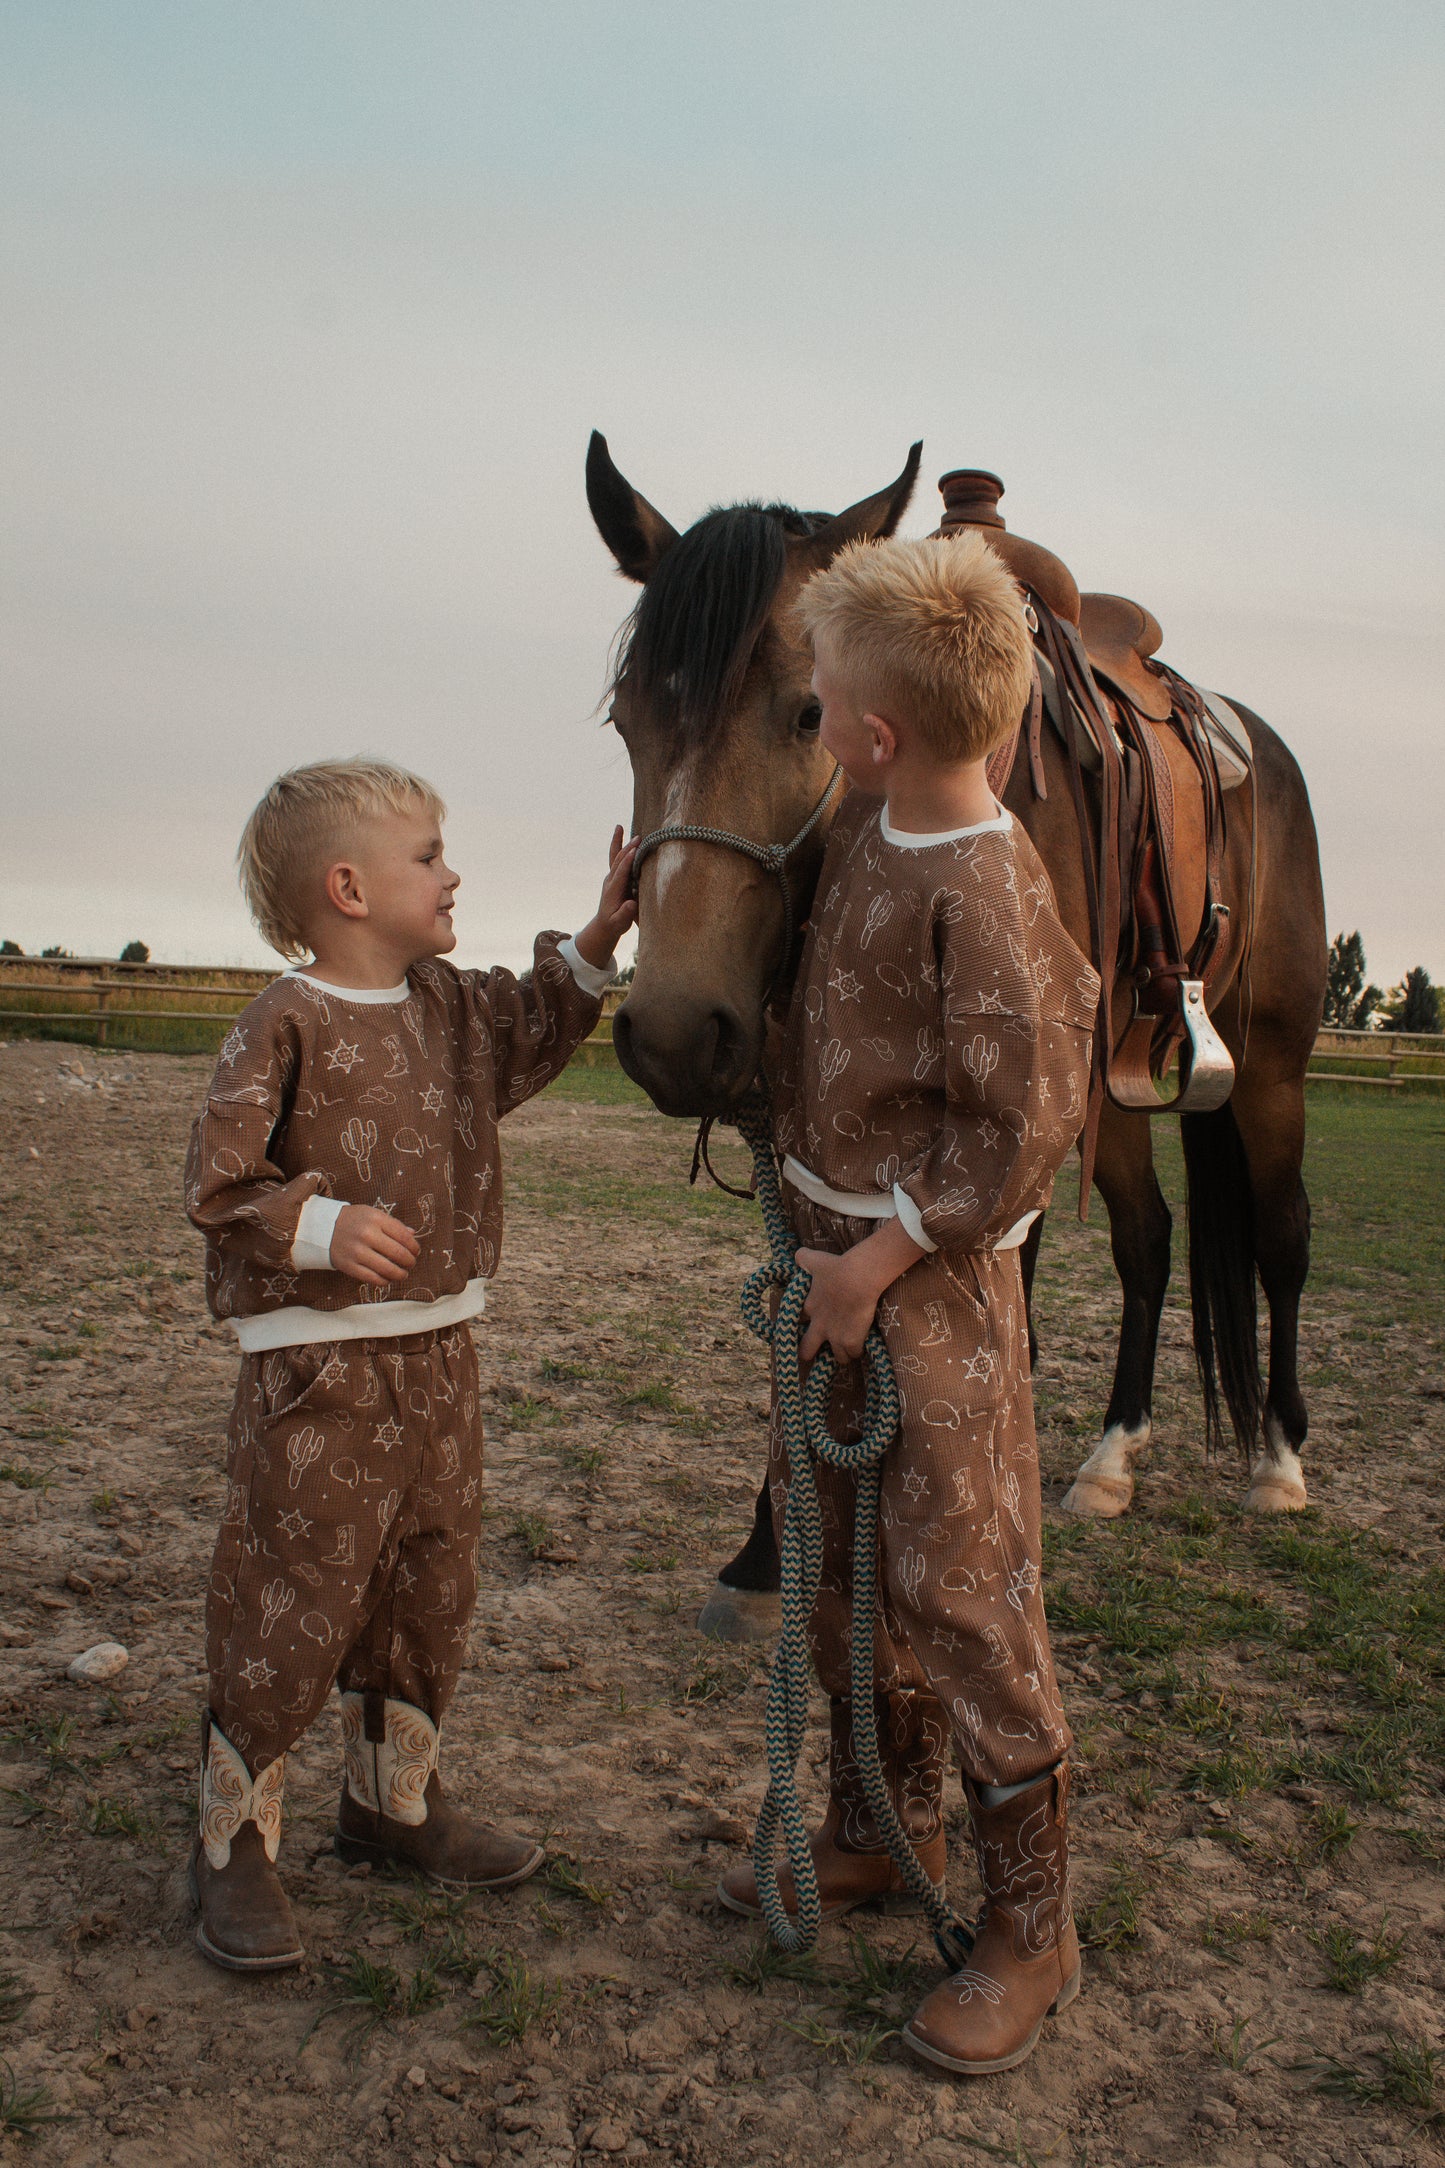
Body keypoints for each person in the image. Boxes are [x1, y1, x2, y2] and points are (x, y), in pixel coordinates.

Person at [717, 534, 1101, 2075]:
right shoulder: (869, 832)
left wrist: (879, 1259)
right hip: (831, 1279)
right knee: (838, 1561)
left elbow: (1022, 1123)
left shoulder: (989, 893)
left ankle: (1030, 1928)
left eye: (815, 702)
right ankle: (879, 1828)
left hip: (923, 1294)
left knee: (962, 1586)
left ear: (874, 734)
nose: (809, 713)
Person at [183, 757, 635, 1973]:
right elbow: (218, 1179)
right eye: (427, 855)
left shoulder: (451, 1006)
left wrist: (602, 927)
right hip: (320, 1371)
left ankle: (392, 1802)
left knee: (427, 1584)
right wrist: (321, 1228)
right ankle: (234, 1838)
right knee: (296, 1587)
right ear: (346, 885)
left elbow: (542, 1019)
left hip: (441, 1355)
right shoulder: (282, 1018)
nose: (451, 873)